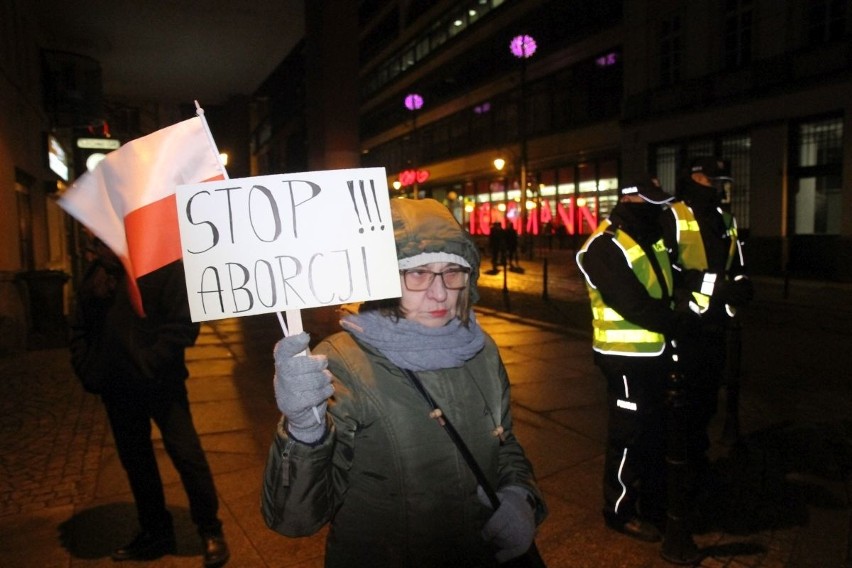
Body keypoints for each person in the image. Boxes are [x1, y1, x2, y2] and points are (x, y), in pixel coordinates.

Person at [262, 198, 547, 567]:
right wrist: (303, 433)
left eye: (452, 271)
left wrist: (521, 495)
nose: (441, 292)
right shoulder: (342, 362)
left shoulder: (480, 348)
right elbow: (295, 518)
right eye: (418, 273)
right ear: (384, 280)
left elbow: (504, 443)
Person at [69, 236, 230, 567]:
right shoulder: (96, 276)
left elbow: (184, 324)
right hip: (117, 390)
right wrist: (92, 373)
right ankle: (155, 532)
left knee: (187, 455)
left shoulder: (160, 267)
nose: (100, 248)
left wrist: (151, 362)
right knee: (137, 463)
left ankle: (210, 529)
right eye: (98, 242)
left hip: (162, 385)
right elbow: (78, 330)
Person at [576, 177, 697, 543]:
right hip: (624, 359)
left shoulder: (650, 237)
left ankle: (652, 503)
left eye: (660, 203)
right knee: (628, 436)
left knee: (654, 433)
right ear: (628, 198)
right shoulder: (604, 245)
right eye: (650, 202)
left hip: (654, 354)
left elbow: (669, 282)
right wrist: (679, 322)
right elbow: (632, 304)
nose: (658, 210)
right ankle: (620, 511)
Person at [660, 157, 753, 487]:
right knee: (678, 403)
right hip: (684, 326)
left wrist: (740, 286)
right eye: (713, 180)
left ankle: (696, 463)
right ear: (695, 177)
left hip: (715, 325)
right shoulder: (673, 215)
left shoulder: (725, 218)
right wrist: (704, 290)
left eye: (722, 181)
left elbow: (737, 263)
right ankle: (677, 469)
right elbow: (666, 271)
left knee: (706, 401)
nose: (719, 186)